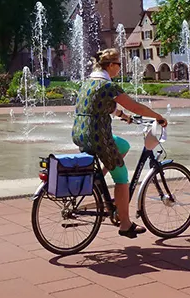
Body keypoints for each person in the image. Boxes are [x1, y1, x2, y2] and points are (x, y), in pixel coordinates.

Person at [71, 48, 168, 238]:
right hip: (98, 137)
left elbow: (104, 105)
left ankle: (98, 180)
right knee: (122, 176)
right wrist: (157, 116)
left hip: (80, 133)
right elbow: (133, 105)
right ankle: (125, 224)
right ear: (110, 66)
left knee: (123, 146)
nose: (120, 69)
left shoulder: (90, 82)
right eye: (118, 65)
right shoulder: (109, 86)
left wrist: (124, 117)